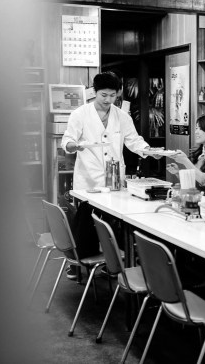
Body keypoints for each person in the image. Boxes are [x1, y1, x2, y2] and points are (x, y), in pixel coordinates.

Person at [61, 71, 158, 279]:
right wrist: (75, 145)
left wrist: (150, 151)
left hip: (114, 178)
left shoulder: (122, 116)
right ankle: (79, 263)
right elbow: (67, 140)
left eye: (113, 95)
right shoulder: (80, 114)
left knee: (112, 220)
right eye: (104, 95)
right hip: (88, 179)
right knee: (87, 220)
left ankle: (111, 262)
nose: (108, 100)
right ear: (95, 92)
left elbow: (133, 140)